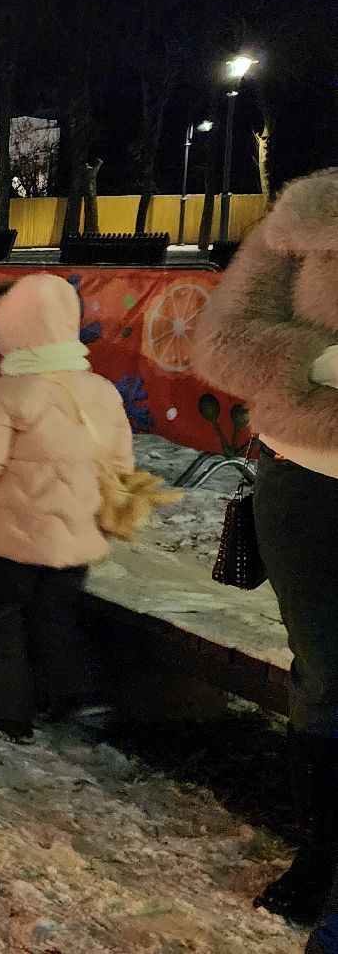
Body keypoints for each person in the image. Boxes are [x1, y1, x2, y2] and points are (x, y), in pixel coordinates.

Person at [194, 169, 338, 926]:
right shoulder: (306, 220)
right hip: (310, 484)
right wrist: (314, 363)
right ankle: (322, 854)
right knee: (327, 670)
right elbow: (219, 340)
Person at [0, 274, 133, 742]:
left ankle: (4, 711)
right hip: (75, 540)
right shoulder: (101, 391)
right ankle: (78, 695)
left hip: (10, 540)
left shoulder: (4, 396)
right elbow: (120, 464)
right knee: (56, 615)